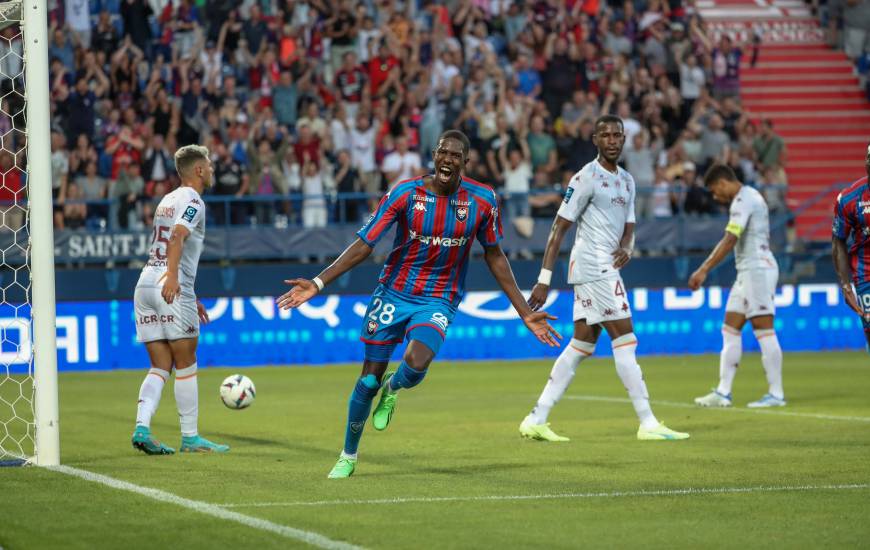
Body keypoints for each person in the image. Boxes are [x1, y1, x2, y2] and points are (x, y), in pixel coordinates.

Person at [277, 130, 561, 478]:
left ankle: (394, 388)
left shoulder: (483, 200)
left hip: (439, 296)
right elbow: (366, 243)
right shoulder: (405, 193)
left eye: (455, 155)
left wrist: (525, 312)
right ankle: (348, 455)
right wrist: (319, 282)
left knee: (417, 360)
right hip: (393, 294)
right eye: (443, 153)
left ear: (465, 162)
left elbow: (495, 255)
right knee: (367, 382)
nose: (447, 160)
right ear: (434, 155)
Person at [520, 115, 690, 443]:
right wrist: (544, 278)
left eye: (617, 135)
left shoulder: (627, 180)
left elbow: (630, 225)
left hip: (602, 267)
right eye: (606, 135)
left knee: (581, 344)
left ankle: (536, 417)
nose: (612, 140)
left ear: (623, 139)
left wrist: (628, 247)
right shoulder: (585, 178)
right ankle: (648, 422)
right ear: (595, 140)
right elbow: (558, 227)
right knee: (625, 338)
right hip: (594, 266)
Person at [131, 145, 229, 455]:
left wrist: (188, 293)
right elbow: (176, 237)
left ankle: (142, 427)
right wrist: (174, 279)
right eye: (209, 165)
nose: (212, 170)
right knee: (186, 362)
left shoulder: (167, 199)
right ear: (199, 170)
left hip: (145, 283)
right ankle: (190, 437)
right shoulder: (193, 201)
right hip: (168, 285)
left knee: (160, 365)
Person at [691, 165, 784, 408]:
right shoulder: (749, 196)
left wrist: (703, 269)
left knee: (764, 329)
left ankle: (776, 393)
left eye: (714, 191)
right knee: (730, 328)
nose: (714, 196)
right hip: (747, 271)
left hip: (758, 270)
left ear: (722, 183)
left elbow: (731, 238)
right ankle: (723, 392)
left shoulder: (744, 200)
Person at [831, 145, 870, 352]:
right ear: (866, 164)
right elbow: (838, 241)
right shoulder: (850, 198)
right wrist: (846, 285)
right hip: (866, 276)